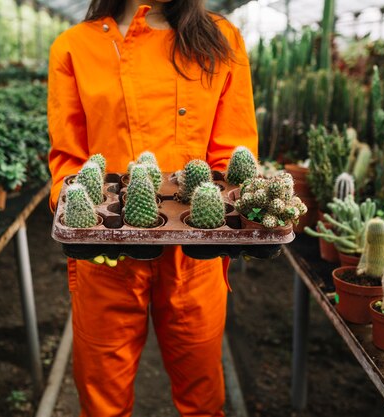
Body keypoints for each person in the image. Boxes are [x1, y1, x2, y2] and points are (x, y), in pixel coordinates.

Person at [48, 0, 257, 415]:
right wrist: (83, 219)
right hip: (107, 252)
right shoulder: (75, 46)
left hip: (194, 250)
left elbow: (232, 152)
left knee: (202, 390)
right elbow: (68, 160)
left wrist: (225, 214)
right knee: (102, 393)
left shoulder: (220, 37)